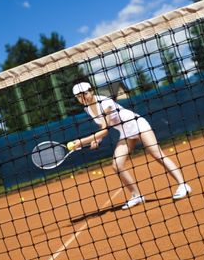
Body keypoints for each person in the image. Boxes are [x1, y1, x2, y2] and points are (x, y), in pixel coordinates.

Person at [68, 80, 191, 210]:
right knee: (117, 165)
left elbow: (104, 130)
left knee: (156, 154)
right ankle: (136, 195)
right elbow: (101, 124)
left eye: (84, 93)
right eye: (79, 96)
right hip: (125, 132)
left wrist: (81, 142)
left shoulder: (105, 103)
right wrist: (97, 140)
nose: (82, 97)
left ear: (92, 91)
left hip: (137, 124)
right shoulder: (87, 108)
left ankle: (183, 185)